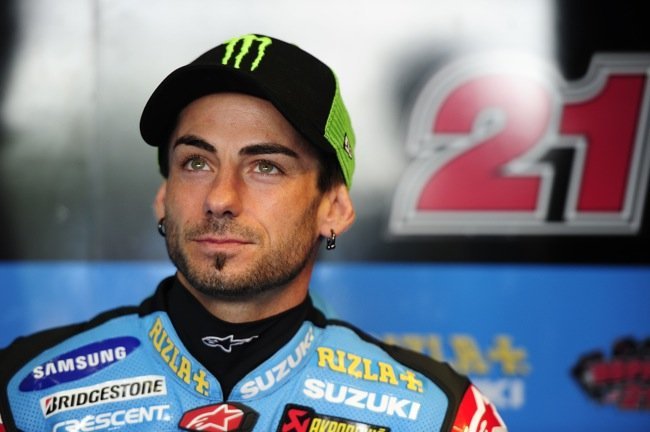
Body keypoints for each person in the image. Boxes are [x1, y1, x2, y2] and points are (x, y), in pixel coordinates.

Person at [0, 33, 507, 431]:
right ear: (162, 198)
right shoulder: (22, 393)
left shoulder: (437, 414)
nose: (220, 197)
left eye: (266, 166)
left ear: (333, 209)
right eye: (196, 162)